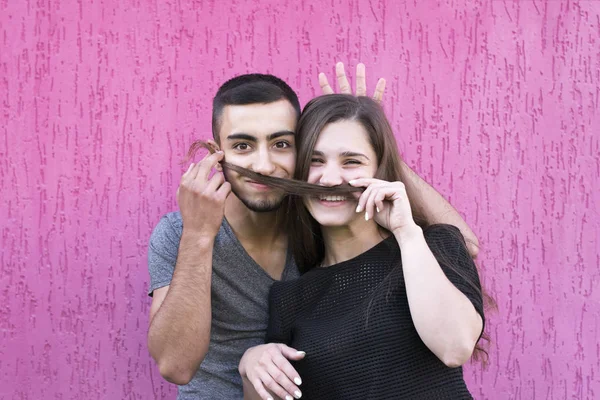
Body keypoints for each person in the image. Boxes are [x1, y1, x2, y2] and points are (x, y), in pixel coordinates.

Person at [147, 64, 481, 399]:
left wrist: (366, 132)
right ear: (216, 152)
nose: (263, 165)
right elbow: (176, 367)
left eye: (280, 144)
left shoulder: (319, 220)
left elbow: (459, 244)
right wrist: (199, 234)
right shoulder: (182, 233)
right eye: (242, 146)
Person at [239, 94, 486, 400]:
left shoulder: (434, 245)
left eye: (351, 161)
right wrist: (249, 366)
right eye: (315, 161)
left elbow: (455, 347)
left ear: (380, 171)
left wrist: (406, 233)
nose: (329, 179)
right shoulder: (290, 299)